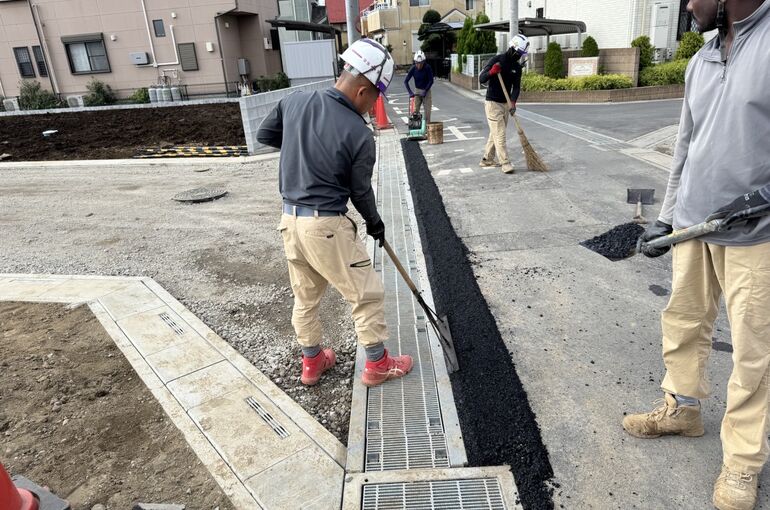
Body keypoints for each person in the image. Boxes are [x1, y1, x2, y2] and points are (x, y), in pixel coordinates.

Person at [622, 1, 770, 508]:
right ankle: (683, 409)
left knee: (754, 348)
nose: (688, 4)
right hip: (693, 222)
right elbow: (685, 143)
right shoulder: (701, 59)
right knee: (683, 319)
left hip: (757, 232)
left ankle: (742, 462)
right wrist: (667, 216)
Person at [256, 39, 414, 388]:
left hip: (290, 222)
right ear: (362, 90)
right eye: (375, 98)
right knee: (366, 293)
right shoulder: (359, 132)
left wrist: (305, 145)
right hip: (326, 226)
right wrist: (376, 223)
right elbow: (360, 191)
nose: (374, 107)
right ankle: (377, 365)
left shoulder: (295, 100)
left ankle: (312, 362)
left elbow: (264, 134)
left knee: (305, 296)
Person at [478, 34, 528, 174]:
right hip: (493, 103)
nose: (520, 56)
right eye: (519, 53)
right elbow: (482, 78)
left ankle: (487, 159)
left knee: (495, 133)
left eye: (522, 54)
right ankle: (505, 162)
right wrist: (492, 72)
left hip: (505, 104)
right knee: (500, 134)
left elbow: (516, 87)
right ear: (512, 48)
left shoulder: (517, 68)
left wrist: (513, 102)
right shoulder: (497, 60)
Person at [404, 50, 434, 123]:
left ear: (424, 62)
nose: (419, 65)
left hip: (426, 91)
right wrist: (410, 92)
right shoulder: (413, 69)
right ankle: (415, 126)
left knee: (427, 112)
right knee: (415, 111)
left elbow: (431, 81)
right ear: (415, 62)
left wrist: (425, 90)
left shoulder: (427, 68)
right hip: (417, 91)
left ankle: (427, 128)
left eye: (421, 63)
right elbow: (406, 81)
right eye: (417, 63)